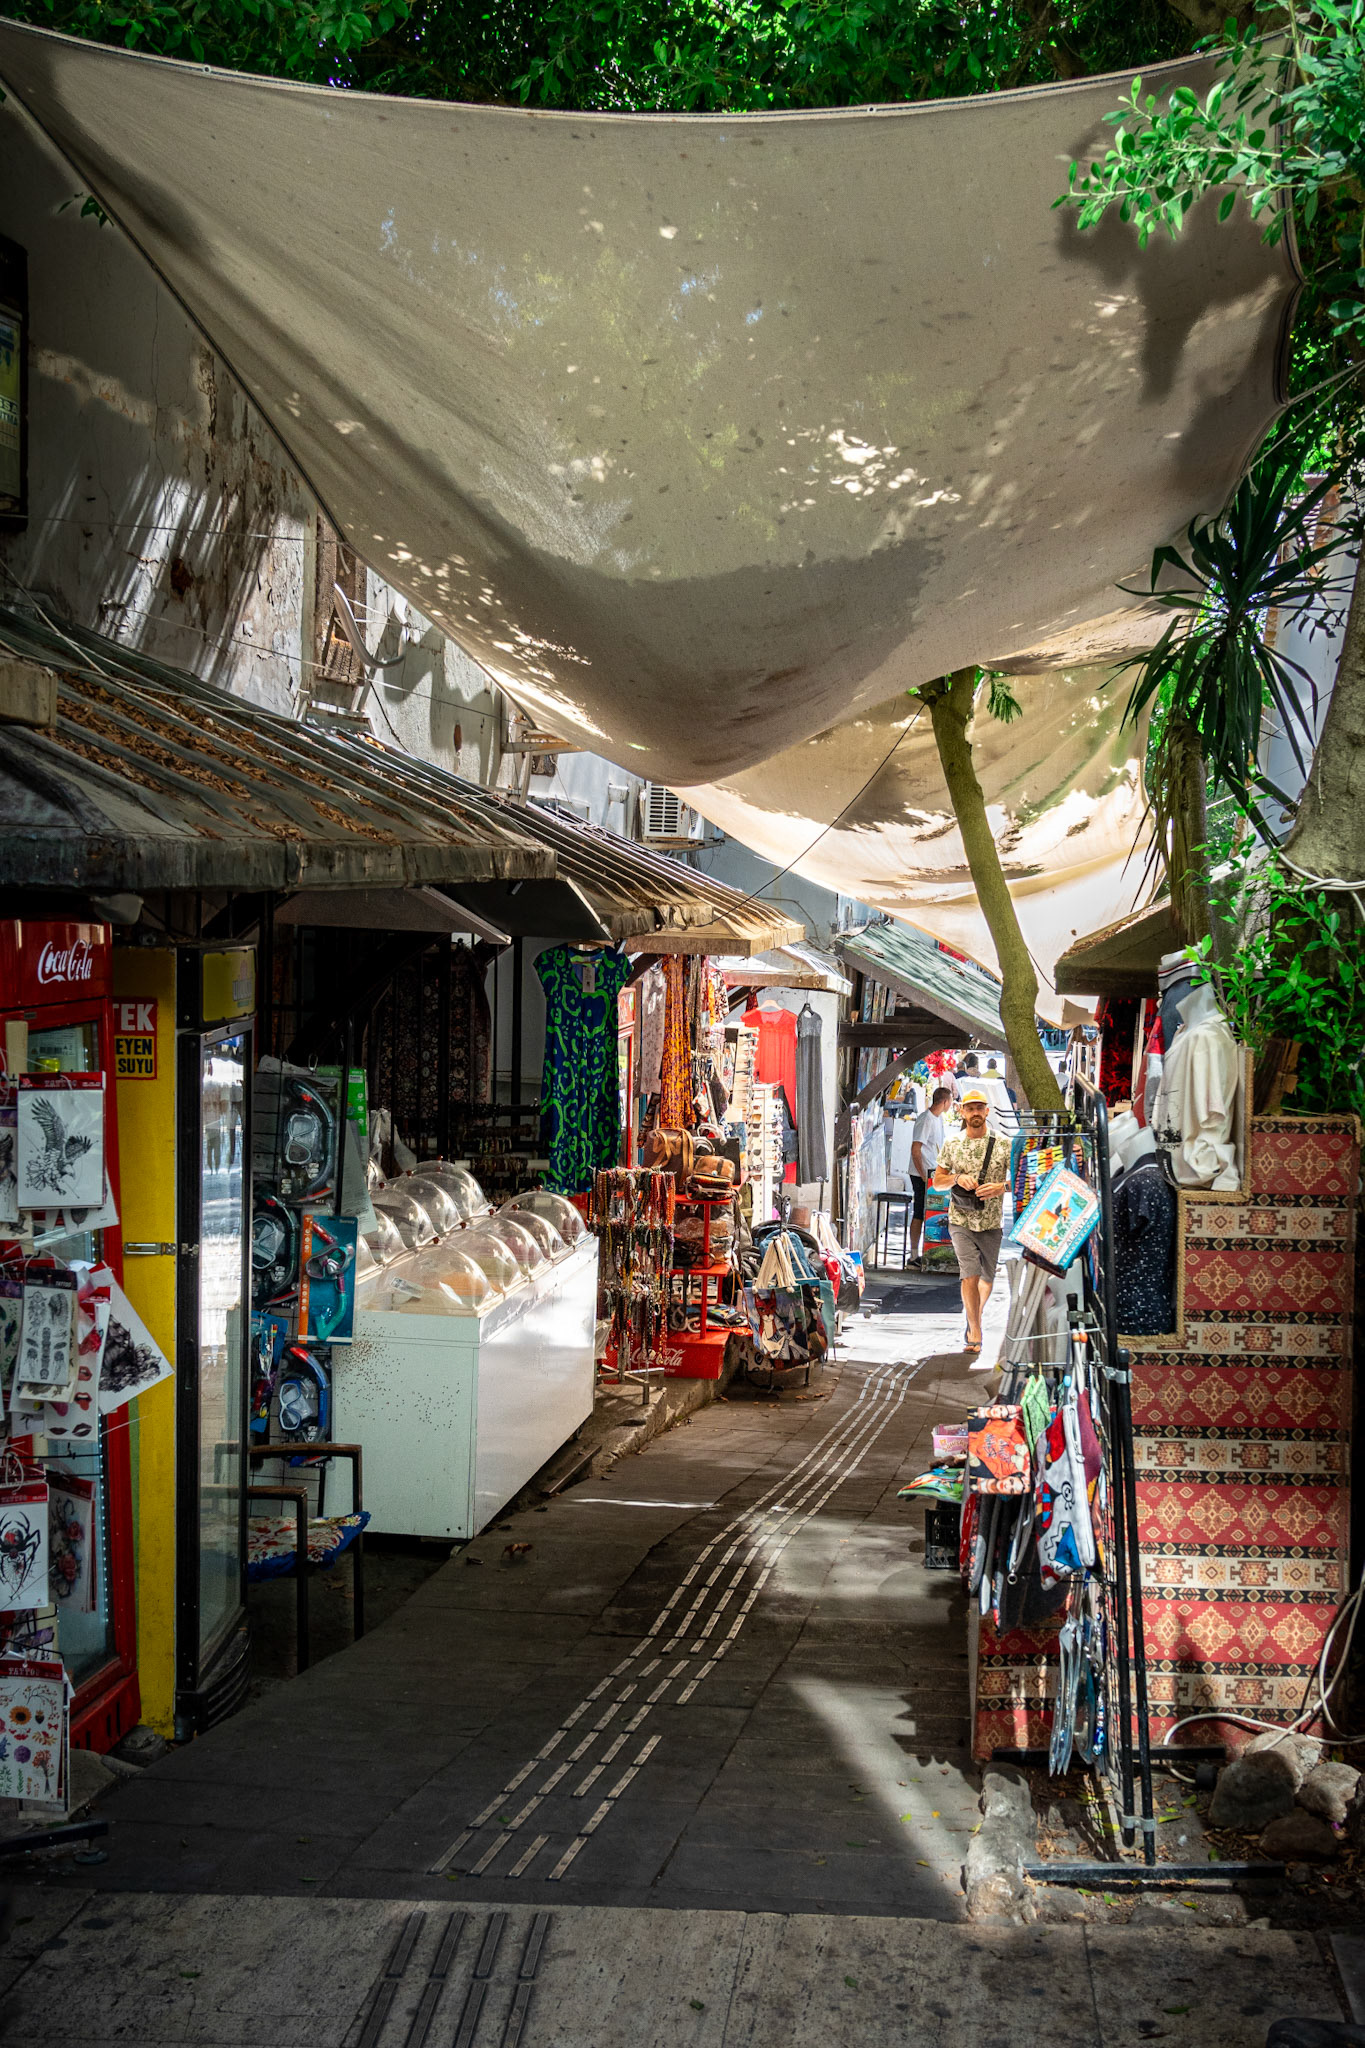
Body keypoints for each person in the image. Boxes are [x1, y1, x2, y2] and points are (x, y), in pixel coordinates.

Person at [933, 1086, 1009, 1355]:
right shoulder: (952, 1143)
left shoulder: (1003, 1143)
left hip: (991, 1222)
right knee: (970, 1274)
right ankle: (975, 1331)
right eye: (970, 1108)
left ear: (987, 1111)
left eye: (980, 1108)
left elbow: (1021, 1180)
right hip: (960, 1220)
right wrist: (956, 1178)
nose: (975, 1112)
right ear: (962, 1112)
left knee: (986, 1279)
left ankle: (972, 1318)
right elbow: (937, 1181)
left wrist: (1001, 1187)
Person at [908, 1084, 952, 1267]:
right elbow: (916, 1149)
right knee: (920, 1211)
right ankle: (913, 1255)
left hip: (934, 1173)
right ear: (945, 1102)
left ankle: (928, 1251)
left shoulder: (938, 1119)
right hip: (922, 1174)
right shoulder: (926, 1119)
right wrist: (923, 1175)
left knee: (933, 1212)